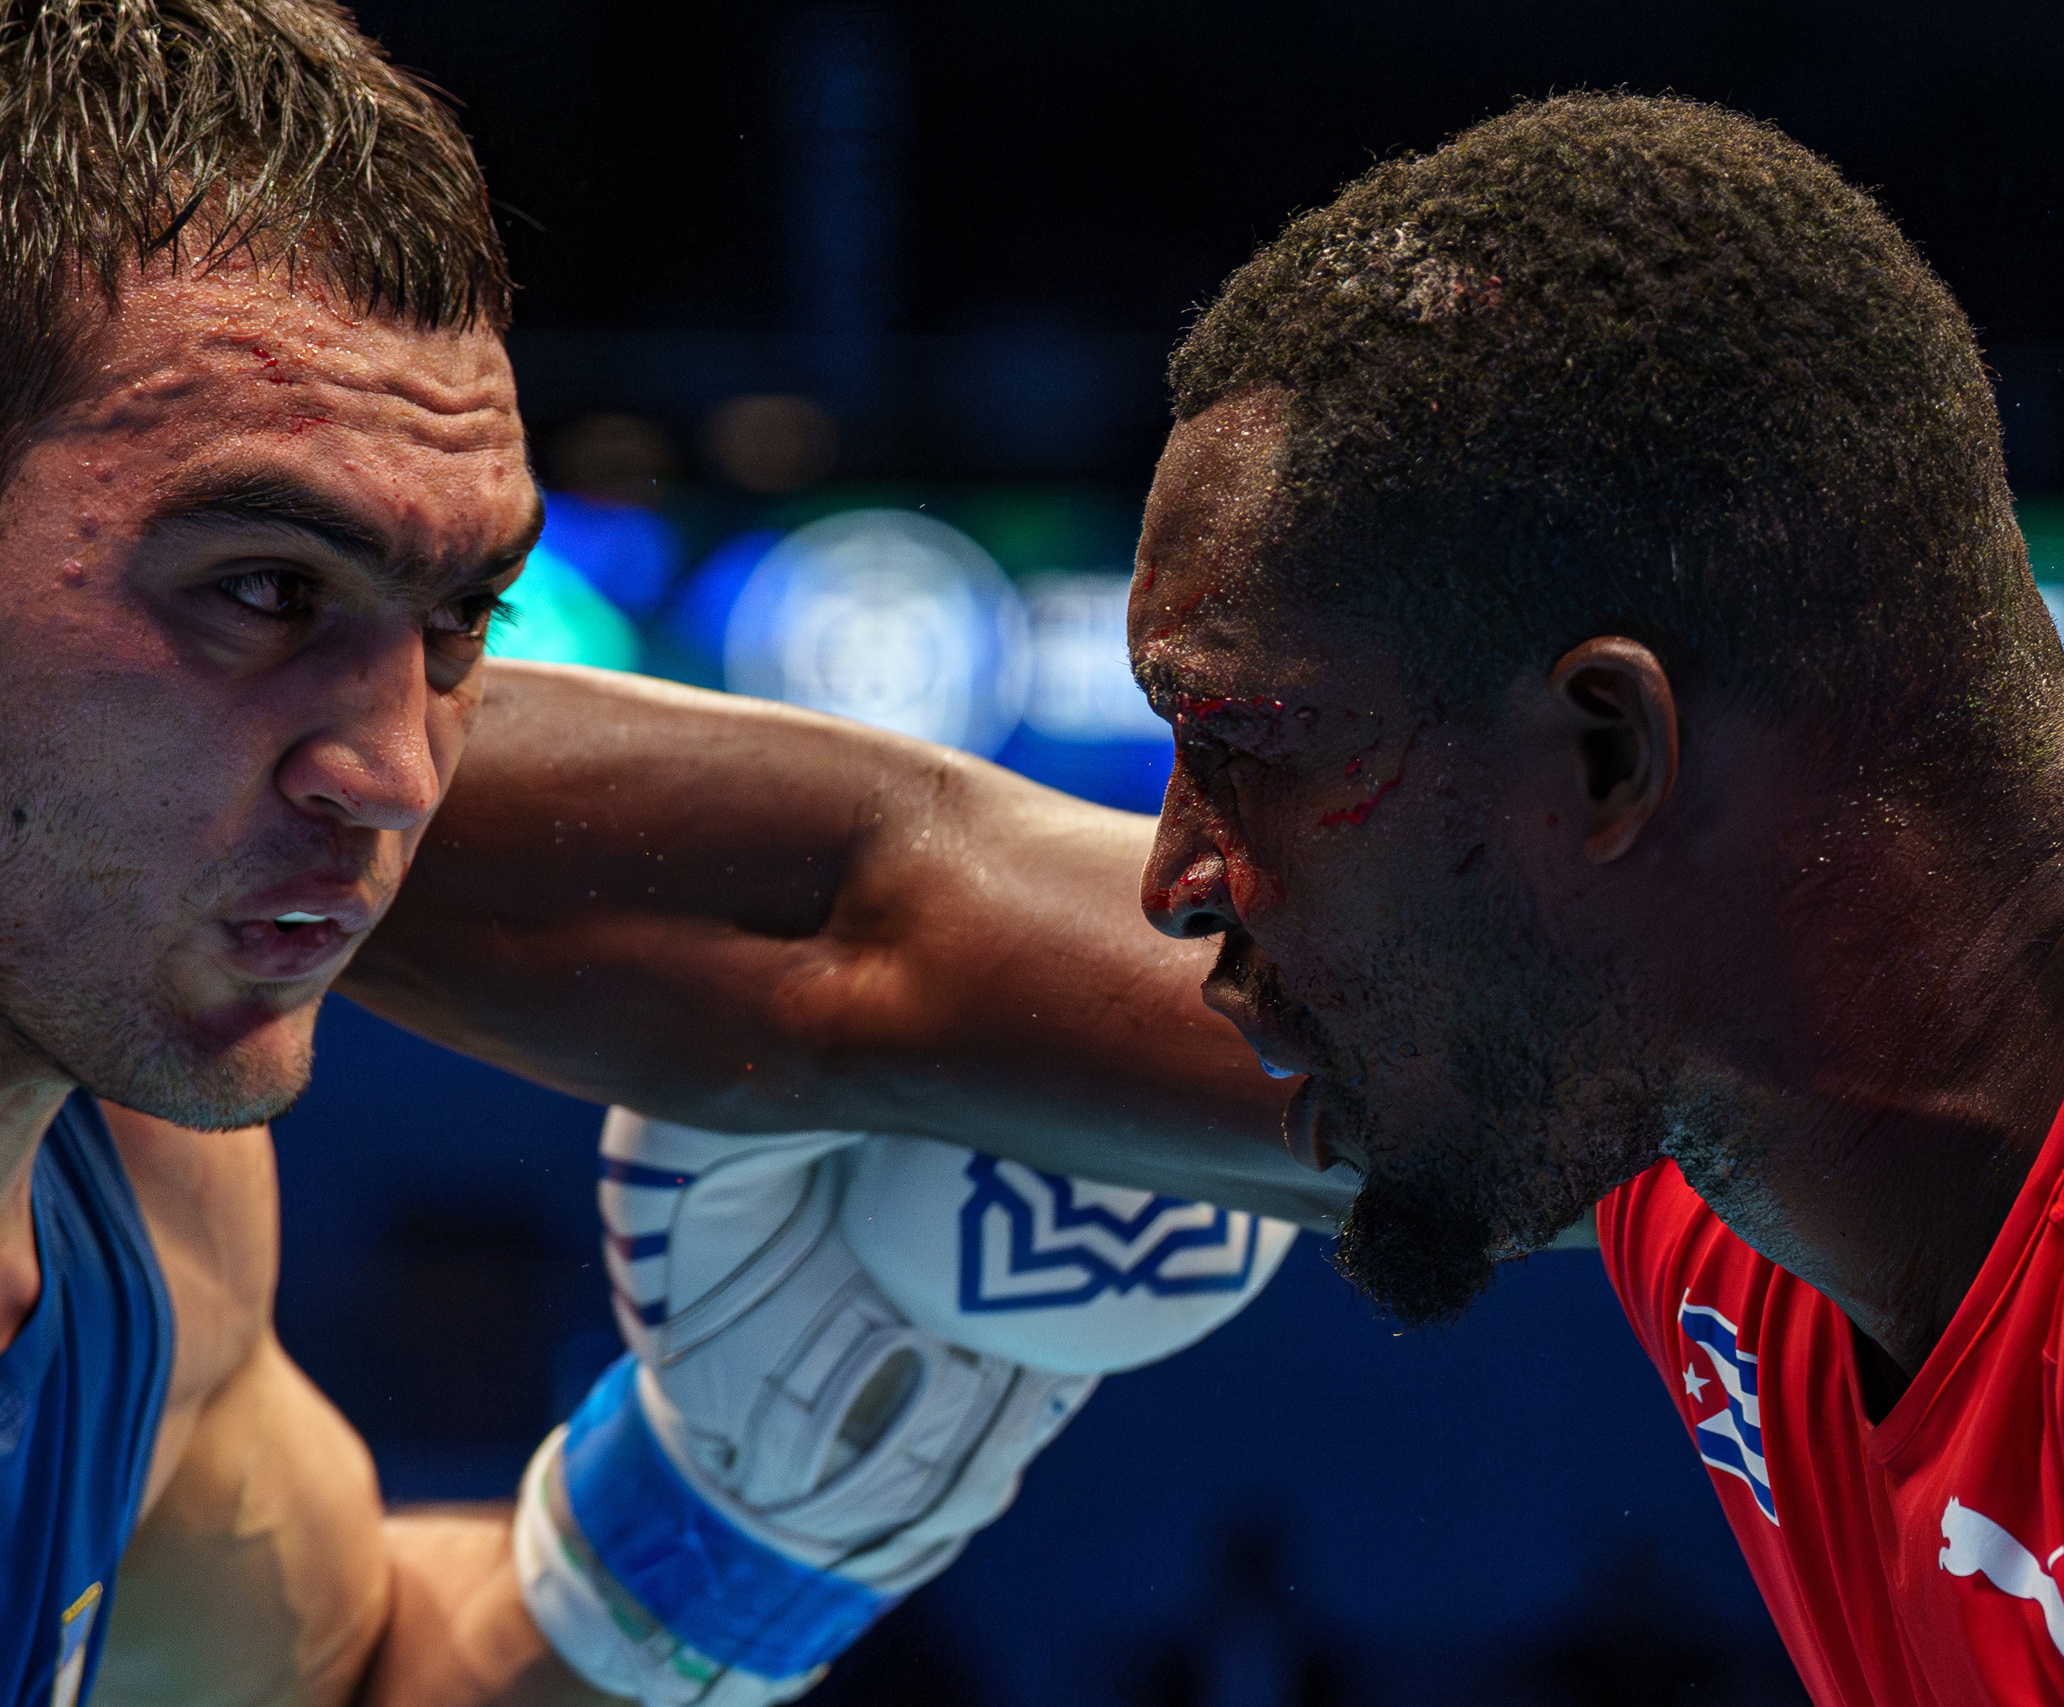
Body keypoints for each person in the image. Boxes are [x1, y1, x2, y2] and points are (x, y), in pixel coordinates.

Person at [355, 95, 2064, 1705]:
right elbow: (856, 921)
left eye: (1243, 740)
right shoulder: (1724, 1067)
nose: (1168, 867)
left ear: (1603, 755)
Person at [0, 5, 1302, 1703]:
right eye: (263, 589)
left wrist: (761, 1499)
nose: (397, 773)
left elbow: (340, 1673)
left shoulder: (139, 1199)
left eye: (465, 621)